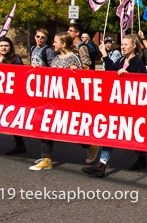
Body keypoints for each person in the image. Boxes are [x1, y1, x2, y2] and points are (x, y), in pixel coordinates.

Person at [29, 32, 97, 170]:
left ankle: (89, 145)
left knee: (69, 129)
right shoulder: (57, 58)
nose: (53, 44)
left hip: (67, 102)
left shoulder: (72, 58)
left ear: (63, 44)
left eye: (55, 41)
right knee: (45, 126)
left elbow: (80, 79)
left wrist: (75, 71)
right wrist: (38, 70)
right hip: (53, 100)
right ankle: (46, 158)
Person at [83, 34, 147, 177]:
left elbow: (143, 82)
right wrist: (105, 55)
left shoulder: (138, 62)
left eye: (126, 44)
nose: (123, 47)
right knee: (111, 133)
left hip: (132, 106)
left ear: (134, 46)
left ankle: (142, 157)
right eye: (122, 44)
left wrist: (129, 76)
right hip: (119, 104)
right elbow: (112, 70)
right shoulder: (121, 60)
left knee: (137, 134)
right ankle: (102, 165)